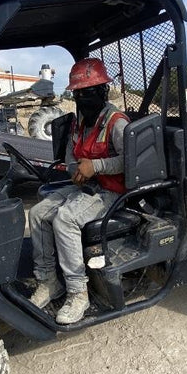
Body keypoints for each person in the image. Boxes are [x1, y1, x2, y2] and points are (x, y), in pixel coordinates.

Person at [28, 58, 129, 324]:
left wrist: (95, 166)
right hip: (84, 186)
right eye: (78, 93)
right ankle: (49, 281)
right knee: (37, 213)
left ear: (103, 91)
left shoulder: (116, 123)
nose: (83, 98)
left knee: (65, 219)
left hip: (112, 192)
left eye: (89, 92)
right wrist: (76, 169)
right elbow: (71, 154)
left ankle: (77, 293)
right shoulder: (80, 122)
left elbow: (130, 161)